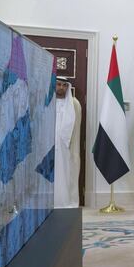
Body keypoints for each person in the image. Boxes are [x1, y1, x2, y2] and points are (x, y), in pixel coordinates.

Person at [54, 77, 81, 208]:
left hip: (67, 148)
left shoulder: (74, 103)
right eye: (58, 84)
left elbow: (76, 129)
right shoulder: (46, 101)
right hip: (51, 146)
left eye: (64, 85)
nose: (61, 88)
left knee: (66, 173)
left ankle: (67, 201)